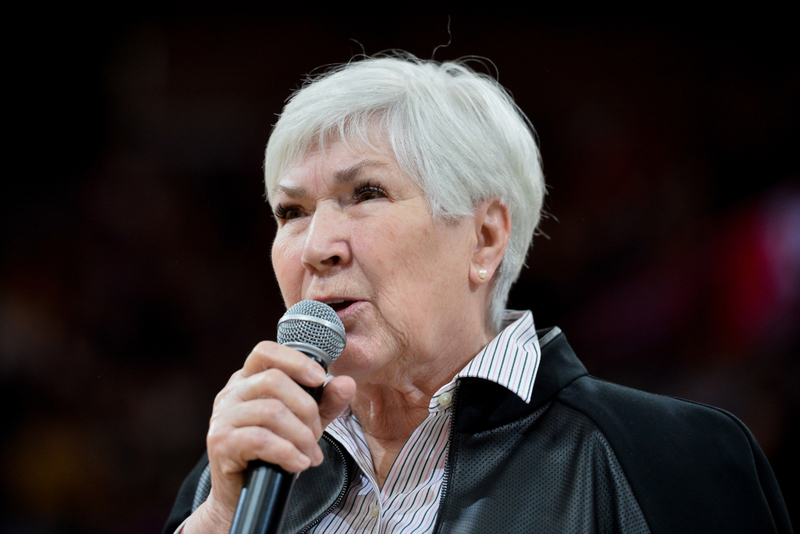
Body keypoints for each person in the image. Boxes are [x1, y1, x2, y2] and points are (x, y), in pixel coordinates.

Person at [163, 53, 792, 533]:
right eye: (291, 211)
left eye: (368, 194)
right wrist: (218, 516)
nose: (316, 245)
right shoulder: (233, 484)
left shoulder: (664, 460)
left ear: (486, 238)